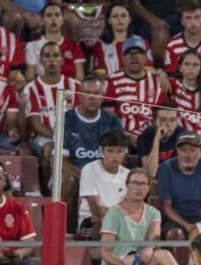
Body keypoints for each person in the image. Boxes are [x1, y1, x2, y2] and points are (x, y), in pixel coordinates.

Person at [99, 168, 182, 265]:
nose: (138, 188)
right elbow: (105, 251)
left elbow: (155, 237)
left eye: (143, 184)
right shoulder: (114, 212)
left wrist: (150, 248)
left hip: (144, 261)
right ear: (127, 185)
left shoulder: (153, 212)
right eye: (134, 183)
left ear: (148, 188)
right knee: (163, 255)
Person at [61, 76, 124, 214]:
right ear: (80, 96)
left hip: (105, 173)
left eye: (96, 93)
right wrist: (87, 177)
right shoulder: (66, 119)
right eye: (87, 93)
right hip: (75, 173)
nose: (92, 97)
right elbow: (59, 161)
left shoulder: (113, 122)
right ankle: (65, 230)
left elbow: (118, 157)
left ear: (102, 97)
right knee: (68, 180)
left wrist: (101, 177)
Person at [23, 41, 81, 178]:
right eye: (47, 56)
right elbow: (36, 124)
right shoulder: (31, 88)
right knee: (50, 149)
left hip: (72, 137)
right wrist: (60, 138)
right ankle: (49, 191)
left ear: (62, 60)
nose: (51, 60)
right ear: (40, 60)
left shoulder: (75, 86)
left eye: (55, 55)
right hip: (43, 138)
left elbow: (80, 118)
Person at [157, 131, 201, 241]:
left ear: (200, 151)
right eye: (183, 150)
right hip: (176, 220)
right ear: (177, 151)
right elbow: (167, 206)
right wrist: (187, 225)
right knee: (175, 234)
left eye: (193, 150)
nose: (188, 155)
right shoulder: (166, 168)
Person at [104, 36, 166, 145]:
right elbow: (108, 118)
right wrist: (127, 136)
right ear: (122, 58)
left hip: (150, 138)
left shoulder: (157, 82)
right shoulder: (111, 81)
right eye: (129, 53)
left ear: (145, 57)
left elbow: (163, 116)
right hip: (120, 138)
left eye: (138, 53)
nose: (134, 57)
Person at [78, 131, 130, 237]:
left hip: (119, 221)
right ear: (101, 151)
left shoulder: (128, 174)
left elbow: (131, 208)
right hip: (91, 221)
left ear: (125, 152)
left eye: (119, 151)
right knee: (104, 225)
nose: (115, 155)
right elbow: (96, 210)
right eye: (110, 151)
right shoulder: (89, 169)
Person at [164, 0, 201, 89]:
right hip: (180, 94)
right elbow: (172, 80)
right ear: (182, 21)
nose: (193, 22)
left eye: (197, 17)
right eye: (188, 18)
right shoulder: (172, 46)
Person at [24, 3, 85, 81]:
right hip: (42, 91)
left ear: (62, 20)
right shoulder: (32, 45)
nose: (53, 19)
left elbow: (79, 79)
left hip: (68, 91)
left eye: (57, 15)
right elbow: (30, 78)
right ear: (42, 20)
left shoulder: (74, 46)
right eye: (49, 15)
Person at [91, 3, 146, 77]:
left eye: (123, 16)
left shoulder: (141, 42)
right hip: (111, 85)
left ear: (129, 19)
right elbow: (100, 73)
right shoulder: (100, 46)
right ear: (109, 20)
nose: (119, 19)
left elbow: (148, 69)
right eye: (115, 16)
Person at [136, 105, 185, 178]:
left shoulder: (182, 135)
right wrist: (156, 140)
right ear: (154, 121)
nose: (169, 124)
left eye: (172, 120)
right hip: (151, 182)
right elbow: (151, 173)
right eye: (163, 120)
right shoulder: (146, 136)